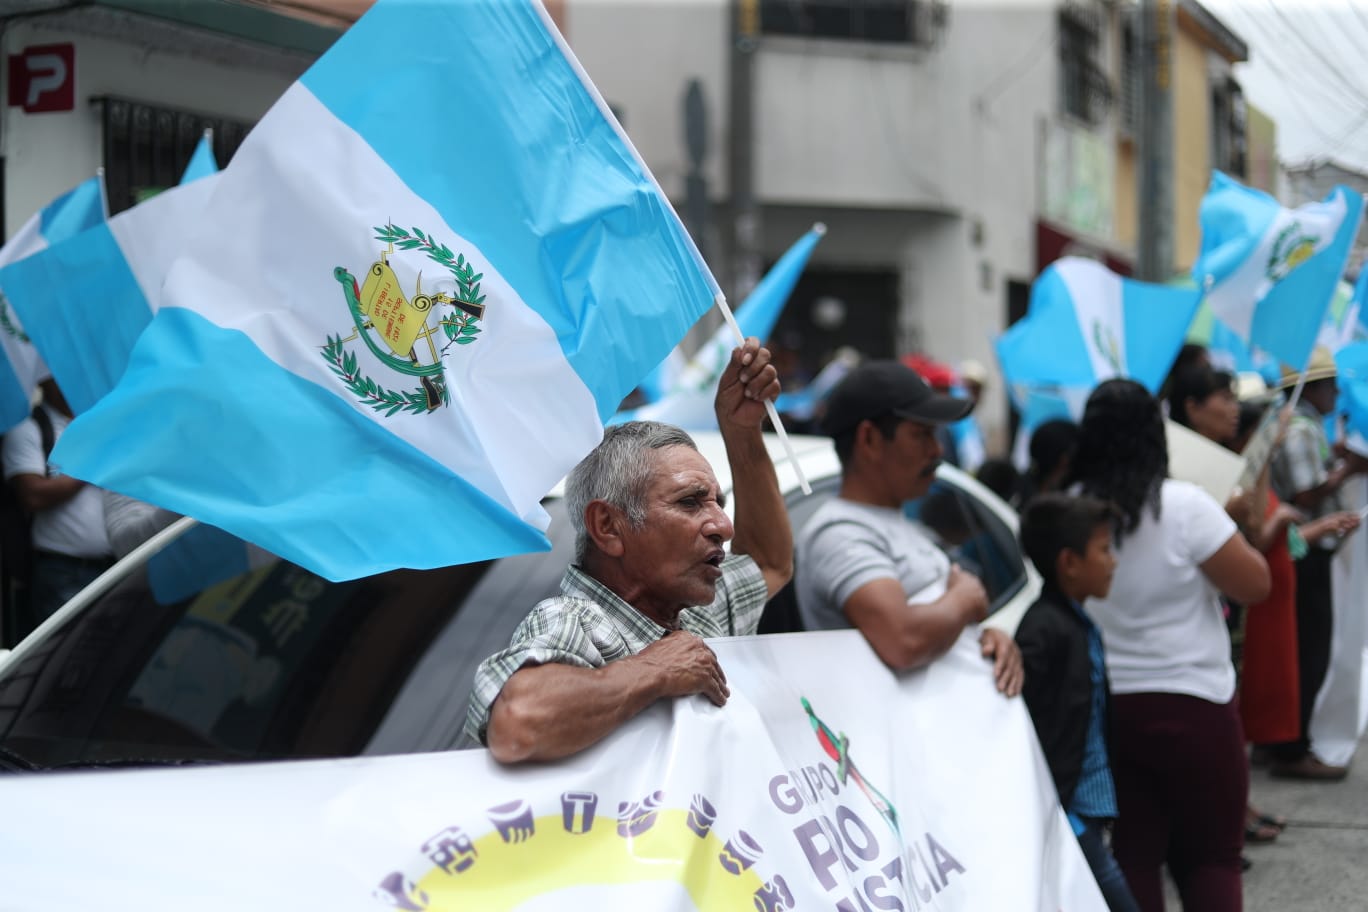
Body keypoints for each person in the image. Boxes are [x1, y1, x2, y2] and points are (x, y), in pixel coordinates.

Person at [464, 339, 791, 763]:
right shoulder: (574, 622)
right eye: (690, 502)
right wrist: (654, 671)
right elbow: (521, 721)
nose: (723, 527)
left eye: (719, 503)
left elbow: (769, 562)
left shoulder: (693, 608)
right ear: (608, 527)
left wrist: (743, 433)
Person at [1068, 379, 1269, 912]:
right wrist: (1239, 525)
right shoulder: (1186, 507)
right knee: (1211, 857)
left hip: (1112, 712)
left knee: (1133, 854)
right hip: (1197, 705)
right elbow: (1255, 584)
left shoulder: (1069, 511)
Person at [795, 360, 1023, 695]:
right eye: (921, 434)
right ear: (870, 439)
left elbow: (931, 631)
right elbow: (903, 640)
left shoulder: (897, 522)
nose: (937, 449)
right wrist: (965, 598)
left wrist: (986, 638)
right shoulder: (839, 533)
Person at [1015, 493, 1138, 912]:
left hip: (1083, 806)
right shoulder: (1043, 630)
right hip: (1067, 810)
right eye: (1104, 550)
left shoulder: (1077, 622)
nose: (1113, 561)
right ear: (1069, 562)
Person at [1267, 347, 1368, 780]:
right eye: (1330, 385)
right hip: (1303, 551)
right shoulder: (1303, 428)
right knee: (1310, 650)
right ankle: (1294, 750)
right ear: (1311, 388)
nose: (1336, 393)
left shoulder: (1302, 425)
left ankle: (1284, 740)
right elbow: (1307, 494)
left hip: (1298, 549)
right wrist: (1351, 470)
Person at [2, 378, 112, 631]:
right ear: (44, 382)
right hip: (63, 571)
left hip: (112, 569)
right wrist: (88, 464)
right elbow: (33, 495)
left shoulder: (98, 425)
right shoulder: (29, 429)